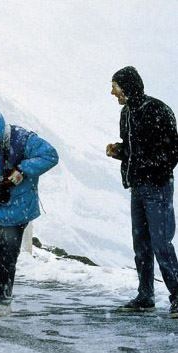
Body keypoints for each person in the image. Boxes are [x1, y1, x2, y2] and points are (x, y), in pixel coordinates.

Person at [0, 97, 58, 318]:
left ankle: (3, 302)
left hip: (17, 209)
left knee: (8, 257)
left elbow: (50, 155)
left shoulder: (21, 139)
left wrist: (22, 170)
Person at [106, 66, 178, 318]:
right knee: (142, 245)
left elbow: (172, 150)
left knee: (161, 243)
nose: (112, 92)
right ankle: (145, 296)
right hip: (137, 187)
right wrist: (119, 151)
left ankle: (177, 296)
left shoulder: (157, 109)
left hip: (157, 187)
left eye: (115, 86)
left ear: (127, 86)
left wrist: (152, 170)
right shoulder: (126, 113)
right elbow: (135, 150)